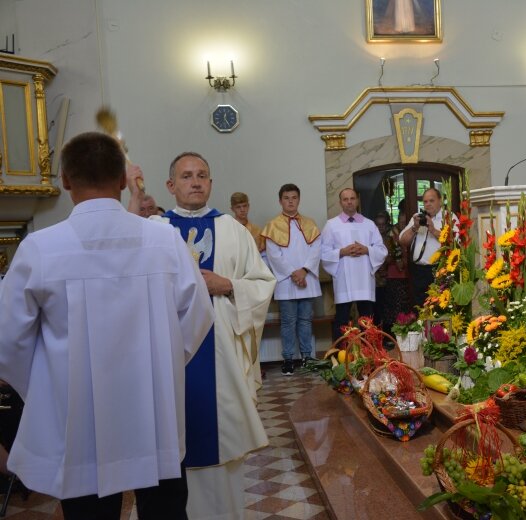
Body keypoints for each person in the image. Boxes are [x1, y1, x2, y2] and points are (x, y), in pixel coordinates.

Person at [0, 132, 214, 519]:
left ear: (64, 179)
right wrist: (163, 365)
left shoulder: (40, 248)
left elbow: (8, 341)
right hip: (156, 409)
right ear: (122, 180)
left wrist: (50, 388)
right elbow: (198, 315)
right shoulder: (164, 240)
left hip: (76, 416)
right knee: (164, 510)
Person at [130, 151, 277, 520]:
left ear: (210, 183)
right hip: (166, 353)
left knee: (220, 453)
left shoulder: (233, 229)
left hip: (221, 354)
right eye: (186, 176)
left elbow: (262, 282)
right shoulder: (153, 230)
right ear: (170, 185)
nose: (195, 182)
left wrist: (226, 284)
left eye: (202, 175)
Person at [261, 184, 322, 376]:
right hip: (286, 282)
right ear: (280, 201)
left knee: (305, 320)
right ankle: (288, 358)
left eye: (294, 197)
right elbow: (274, 255)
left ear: (299, 199)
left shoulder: (310, 223)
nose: (290, 201)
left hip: (306, 280)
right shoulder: (272, 226)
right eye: (286, 198)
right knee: (288, 321)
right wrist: (293, 274)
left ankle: (307, 356)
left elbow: (316, 249)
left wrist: (304, 270)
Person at [321, 188, 387, 339]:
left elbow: (381, 250)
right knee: (342, 318)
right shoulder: (331, 225)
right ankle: (340, 355)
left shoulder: (369, 224)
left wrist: (366, 249)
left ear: (357, 201)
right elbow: (324, 253)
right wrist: (342, 252)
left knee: (366, 318)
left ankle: (369, 353)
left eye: (352, 198)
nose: (349, 202)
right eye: (345, 199)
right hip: (344, 279)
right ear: (340, 202)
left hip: (364, 279)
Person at [399, 187, 451, 308]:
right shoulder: (418, 217)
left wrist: (432, 229)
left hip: (439, 271)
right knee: (420, 307)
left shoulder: (448, 217)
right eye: (425, 201)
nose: (428, 204)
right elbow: (402, 240)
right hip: (418, 271)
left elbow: (454, 241)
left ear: (440, 200)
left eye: (431, 201)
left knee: (438, 307)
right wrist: (414, 228)